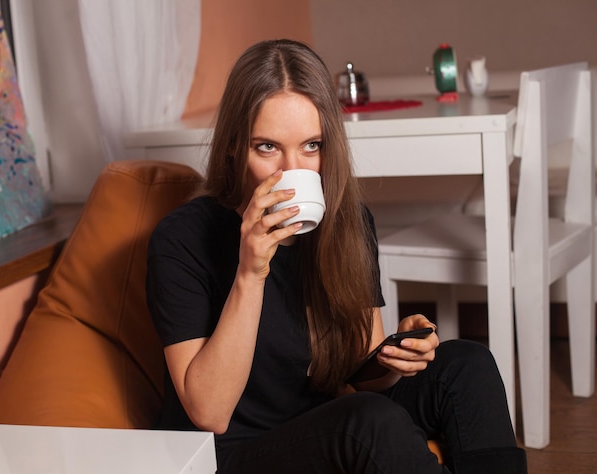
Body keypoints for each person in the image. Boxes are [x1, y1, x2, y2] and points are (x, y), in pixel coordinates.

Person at [146, 39, 527, 473]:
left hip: (318, 421)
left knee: (467, 365)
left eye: (312, 146)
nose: (294, 171)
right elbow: (209, 414)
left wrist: (396, 359)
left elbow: (362, 372)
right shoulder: (181, 240)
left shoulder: (348, 222)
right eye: (267, 147)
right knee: (366, 423)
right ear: (234, 146)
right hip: (228, 454)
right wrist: (250, 273)